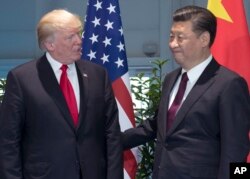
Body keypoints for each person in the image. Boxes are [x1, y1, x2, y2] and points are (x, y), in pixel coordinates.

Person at [123, 5, 250, 179]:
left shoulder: (229, 84)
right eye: (171, 36)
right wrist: (109, 141)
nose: (173, 44)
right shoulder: (170, 79)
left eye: (180, 37)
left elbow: (236, 149)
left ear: (204, 39)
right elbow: (157, 125)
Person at [0, 9, 123, 179]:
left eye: (79, 34)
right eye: (70, 37)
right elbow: (8, 141)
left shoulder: (98, 75)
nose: (79, 41)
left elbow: (112, 134)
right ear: (50, 45)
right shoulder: (21, 79)